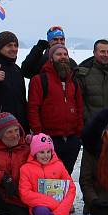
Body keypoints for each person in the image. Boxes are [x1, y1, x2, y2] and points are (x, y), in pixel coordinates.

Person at [27, 43, 84, 177]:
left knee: (64, 176)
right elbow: (33, 108)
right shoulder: (39, 80)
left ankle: (63, 198)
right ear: (51, 58)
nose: (63, 57)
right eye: (58, 54)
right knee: (48, 178)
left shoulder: (73, 82)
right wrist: (38, 134)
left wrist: (77, 134)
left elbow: (79, 108)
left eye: (65, 54)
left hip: (71, 139)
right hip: (49, 140)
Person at [18, 134, 76, 215]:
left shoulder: (59, 166)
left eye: (48, 151)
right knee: (42, 211)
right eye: (41, 152)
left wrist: (62, 210)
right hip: (40, 209)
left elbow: (71, 188)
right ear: (34, 153)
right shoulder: (26, 169)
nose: (46, 155)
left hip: (60, 208)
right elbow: (25, 193)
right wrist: (52, 203)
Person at [75, 39, 108, 125]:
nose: (106, 55)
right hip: (91, 125)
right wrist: (88, 119)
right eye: (102, 52)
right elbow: (78, 101)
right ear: (94, 52)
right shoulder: (83, 74)